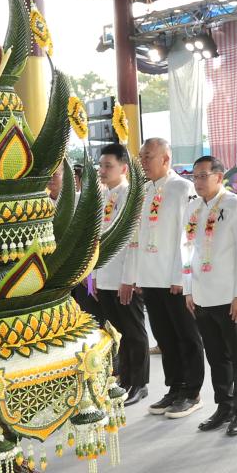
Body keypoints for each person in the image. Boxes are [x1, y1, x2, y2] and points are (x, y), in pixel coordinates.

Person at [124, 138, 205, 419]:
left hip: (174, 279)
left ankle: (192, 392)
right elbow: (138, 237)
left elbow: (188, 238)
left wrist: (180, 277)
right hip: (150, 277)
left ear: (166, 159)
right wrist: (136, 276)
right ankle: (174, 387)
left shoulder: (183, 188)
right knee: (165, 337)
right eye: (141, 157)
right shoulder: (144, 190)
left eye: (148, 157)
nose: (143, 162)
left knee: (187, 336)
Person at [182, 156, 237, 436]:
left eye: (203, 176)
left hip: (229, 295)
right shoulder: (193, 207)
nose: (197, 181)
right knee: (215, 356)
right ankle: (224, 405)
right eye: (195, 176)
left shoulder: (235, 205)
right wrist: (188, 288)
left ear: (219, 176)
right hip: (201, 293)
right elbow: (186, 250)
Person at [90, 144, 149, 406]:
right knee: (118, 333)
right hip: (105, 275)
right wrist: (94, 276)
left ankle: (140, 383)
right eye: (100, 166)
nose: (102, 170)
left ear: (124, 168)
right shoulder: (103, 195)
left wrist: (129, 278)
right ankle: (124, 378)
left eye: (108, 166)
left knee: (134, 332)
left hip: (124, 277)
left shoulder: (130, 196)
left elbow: (132, 241)